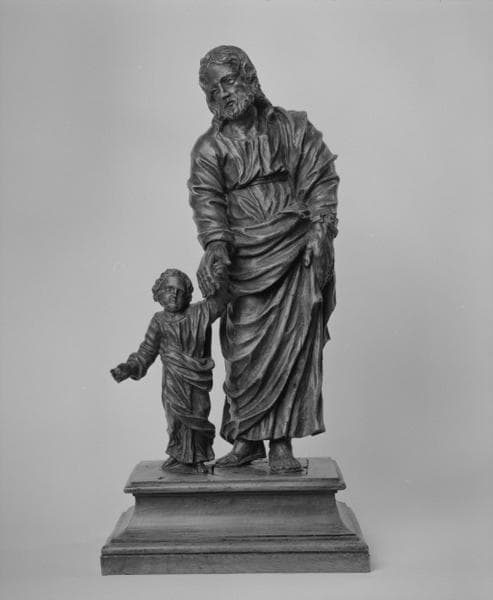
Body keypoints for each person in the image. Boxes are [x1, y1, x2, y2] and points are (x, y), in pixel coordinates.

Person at [189, 46, 339, 473]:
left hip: (294, 251)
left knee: (291, 349)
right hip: (244, 257)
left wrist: (320, 230)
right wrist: (216, 246)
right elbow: (206, 200)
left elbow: (320, 179)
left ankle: (281, 444)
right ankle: (247, 440)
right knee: (243, 351)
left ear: (250, 78)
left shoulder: (293, 127)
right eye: (211, 90)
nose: (221, 94)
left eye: (227, 82)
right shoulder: (209, 147)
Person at [111, 268, 226, 474]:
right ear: (159, 293)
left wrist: (218, 273)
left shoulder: (200, 312)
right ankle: (179, 456)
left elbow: (220, 300)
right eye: (169, 290)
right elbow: (147, 350)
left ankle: (198, 458)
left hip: (196, 378)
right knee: (175, 420)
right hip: (173, 381)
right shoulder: (159, 321)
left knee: (198, 414)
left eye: (180, 291)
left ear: (187, 295)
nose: (174, 295)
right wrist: (129, 368)